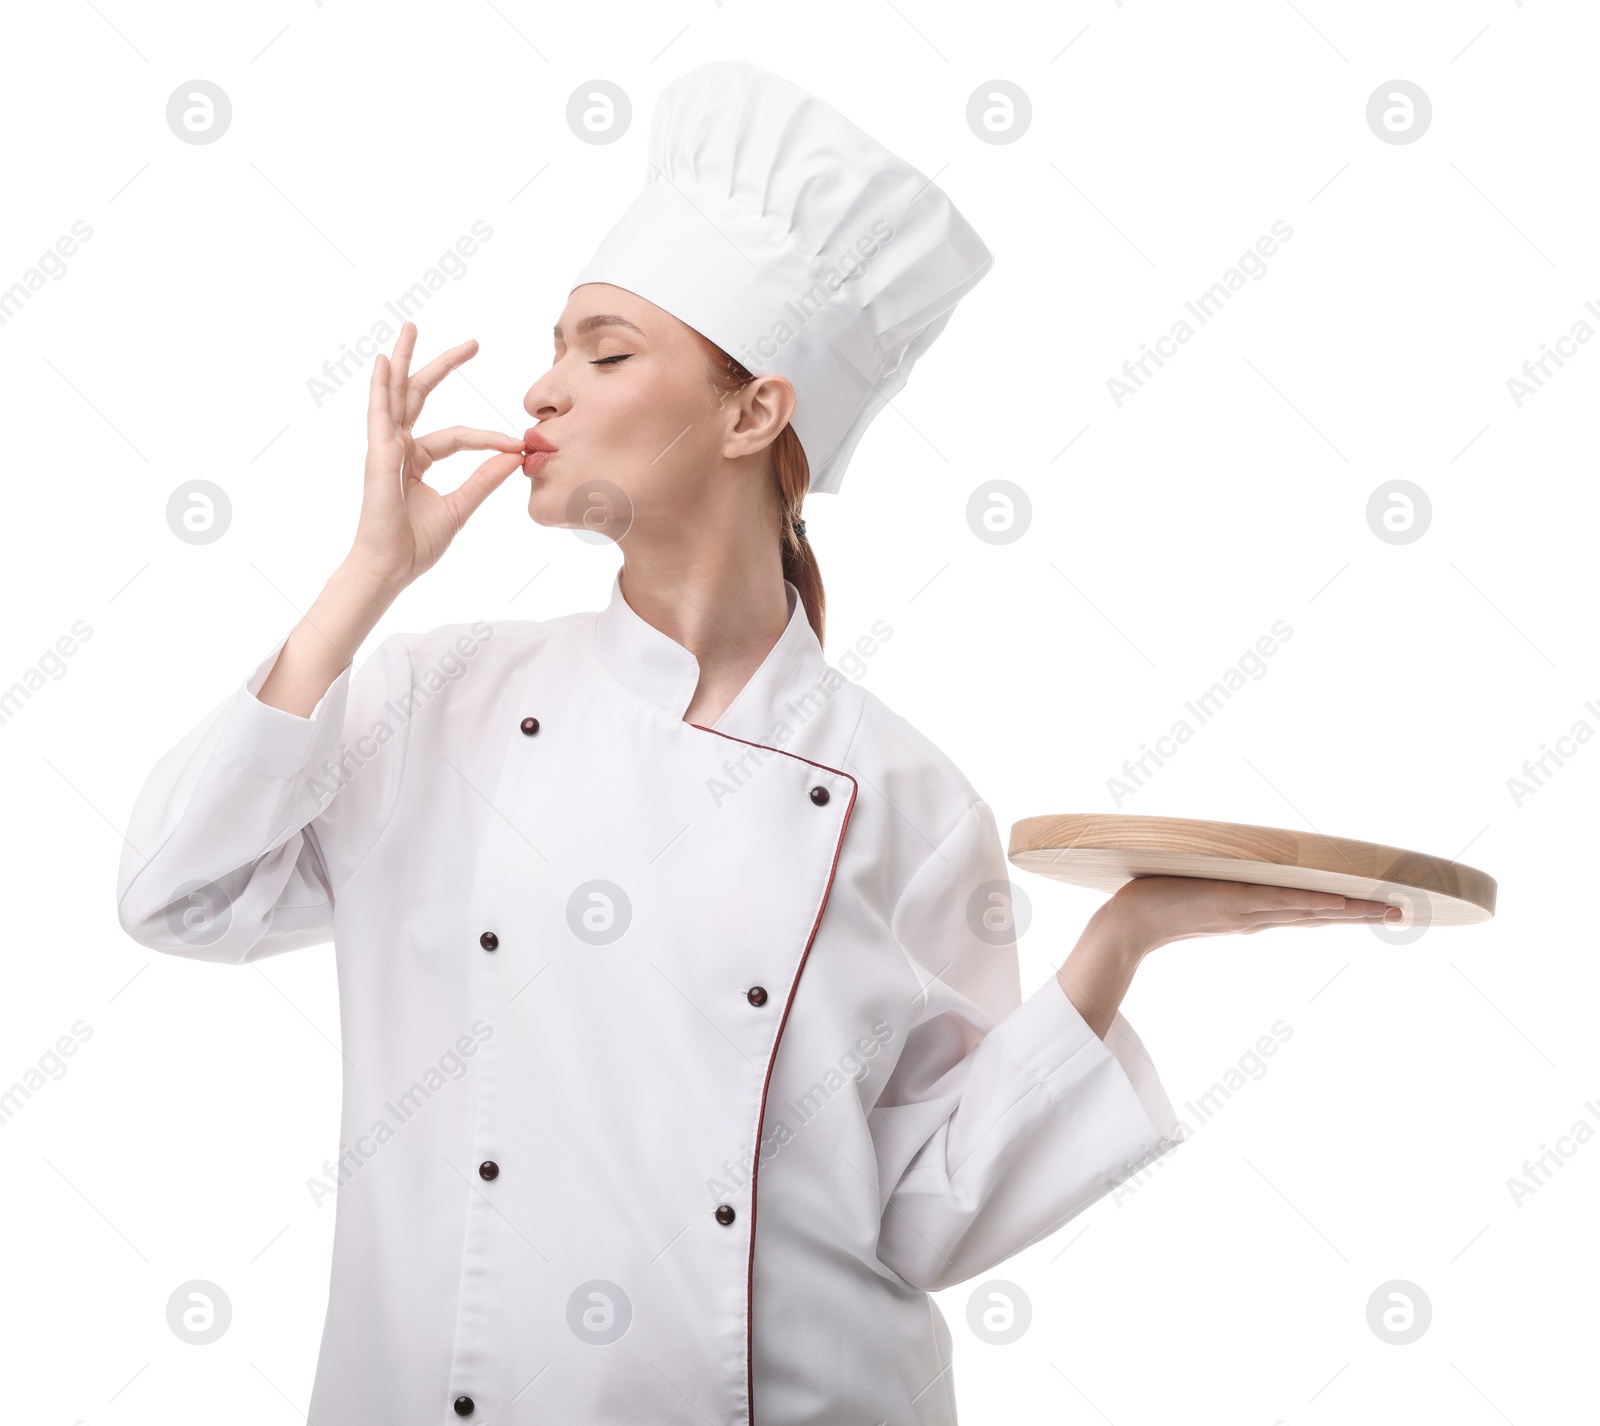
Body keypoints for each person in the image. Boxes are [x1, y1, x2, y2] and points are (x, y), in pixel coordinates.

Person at [115, 60, 1397, 1426]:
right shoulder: (439, 704)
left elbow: (923, 1217)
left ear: (754, 413)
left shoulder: (902, 789)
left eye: (604, 351)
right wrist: (367, 578)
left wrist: (1123, 938)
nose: (542, 389)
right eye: (556, 346)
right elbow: (175, 893)